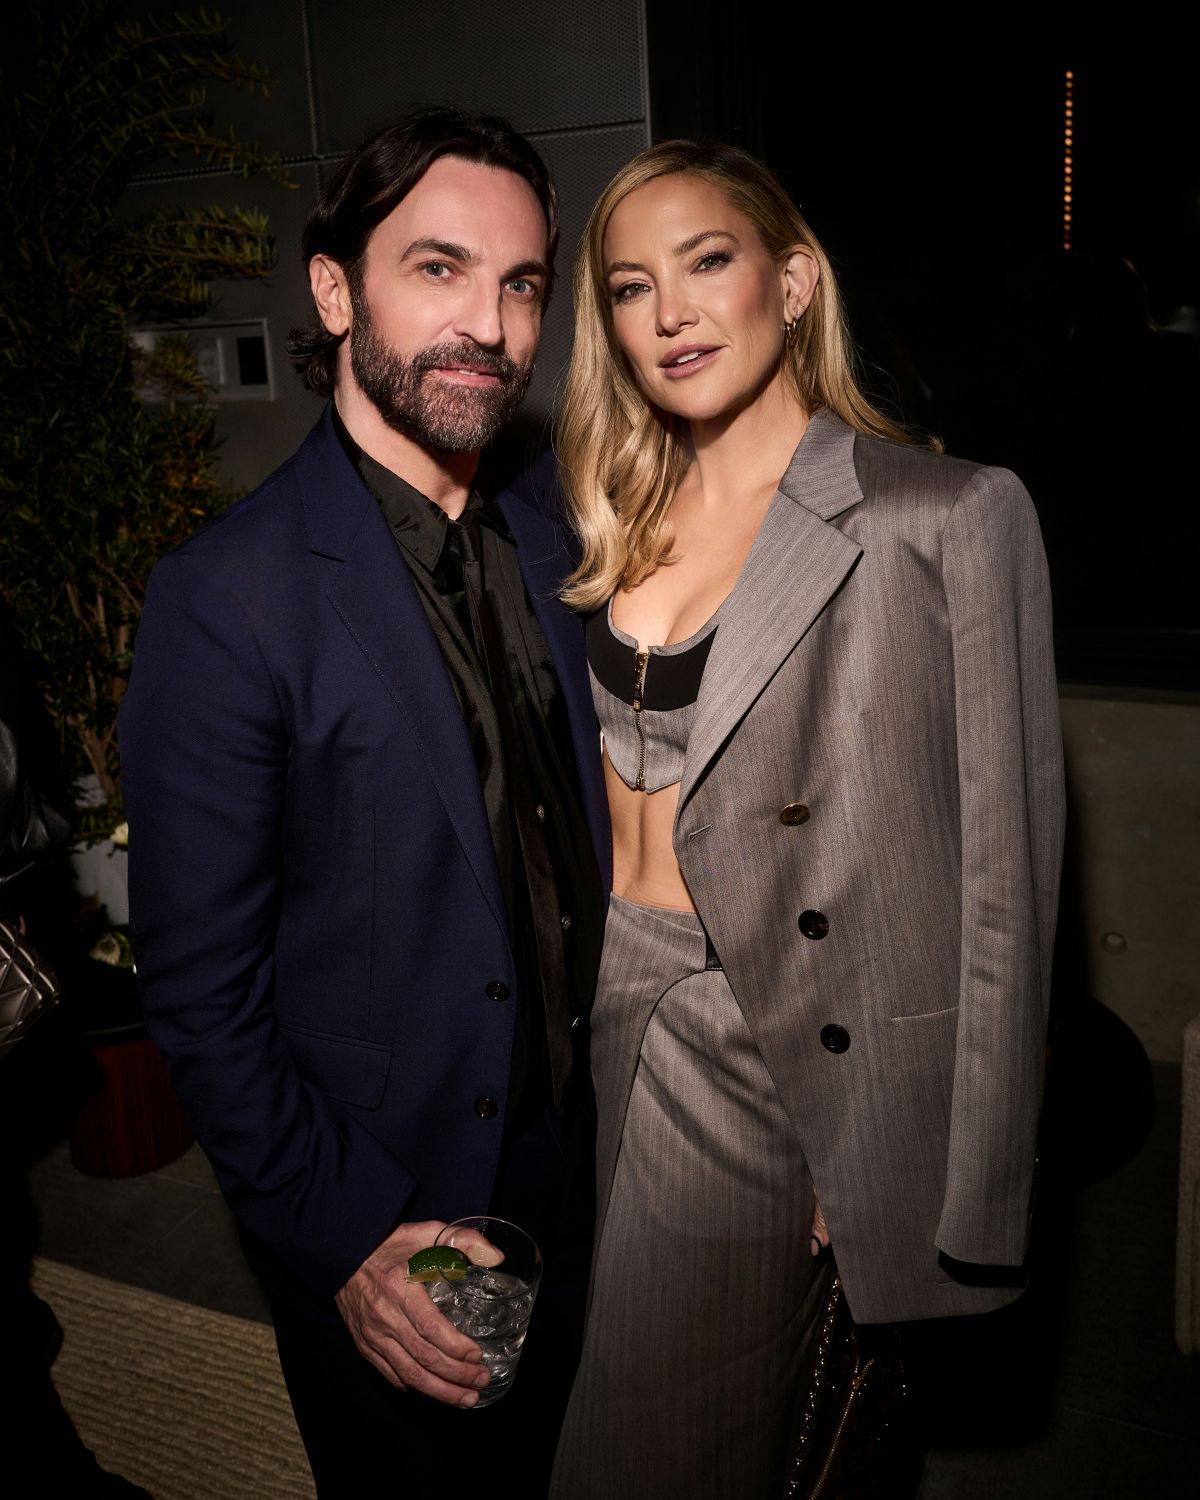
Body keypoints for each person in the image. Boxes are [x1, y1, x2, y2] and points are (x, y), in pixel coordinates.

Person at [548, 141, 1065, 1498]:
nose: (670, 313)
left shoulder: (943, 517)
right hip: (608, 1003)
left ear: (792, 281)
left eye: (707, 263)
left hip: (754, 1031)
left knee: (648, 1448)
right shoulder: (607, 512)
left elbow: (1004, 890)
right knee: (652, 1400)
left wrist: (909, 1149)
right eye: (630, 287)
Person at [119, 108, 608, 1497]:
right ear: (335, 293)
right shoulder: (227, 599)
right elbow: (201, 994)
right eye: (438, 269)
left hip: (590, 1147)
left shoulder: (557, 529)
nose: (491, 329)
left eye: (522, 284)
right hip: (398, 1191)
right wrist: (343, 1233)